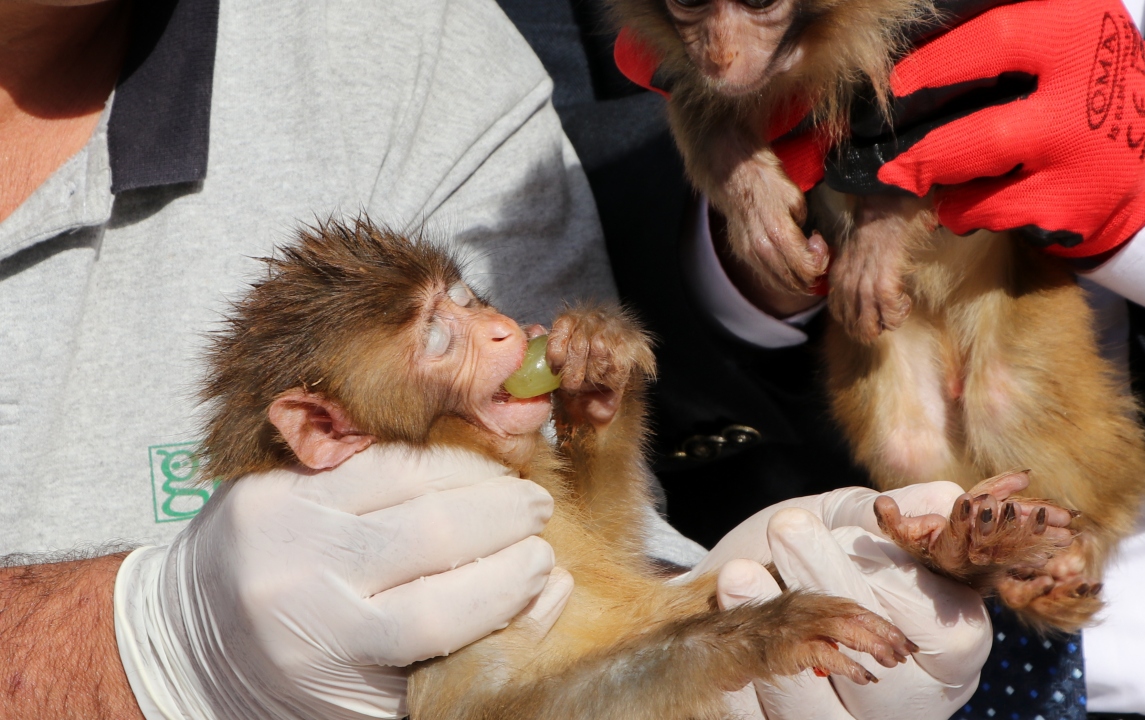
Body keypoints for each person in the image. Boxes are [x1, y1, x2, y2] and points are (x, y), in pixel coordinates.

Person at [0, 0, 995, 718]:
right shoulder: (305, 538)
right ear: (320, 428)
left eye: (467, 300)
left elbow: (593, 563)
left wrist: (607, 443)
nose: (497, 332)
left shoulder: (407, 45)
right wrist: (143, 649)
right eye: (437, 334)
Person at [494, 0, 1145, 718]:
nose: (722, 55)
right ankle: (971, 555)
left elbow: (921, 91)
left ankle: (1060, 547)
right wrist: (737, 235)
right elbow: (522, 180)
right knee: (908, 446)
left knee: (1009, 401)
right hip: (816, 644)